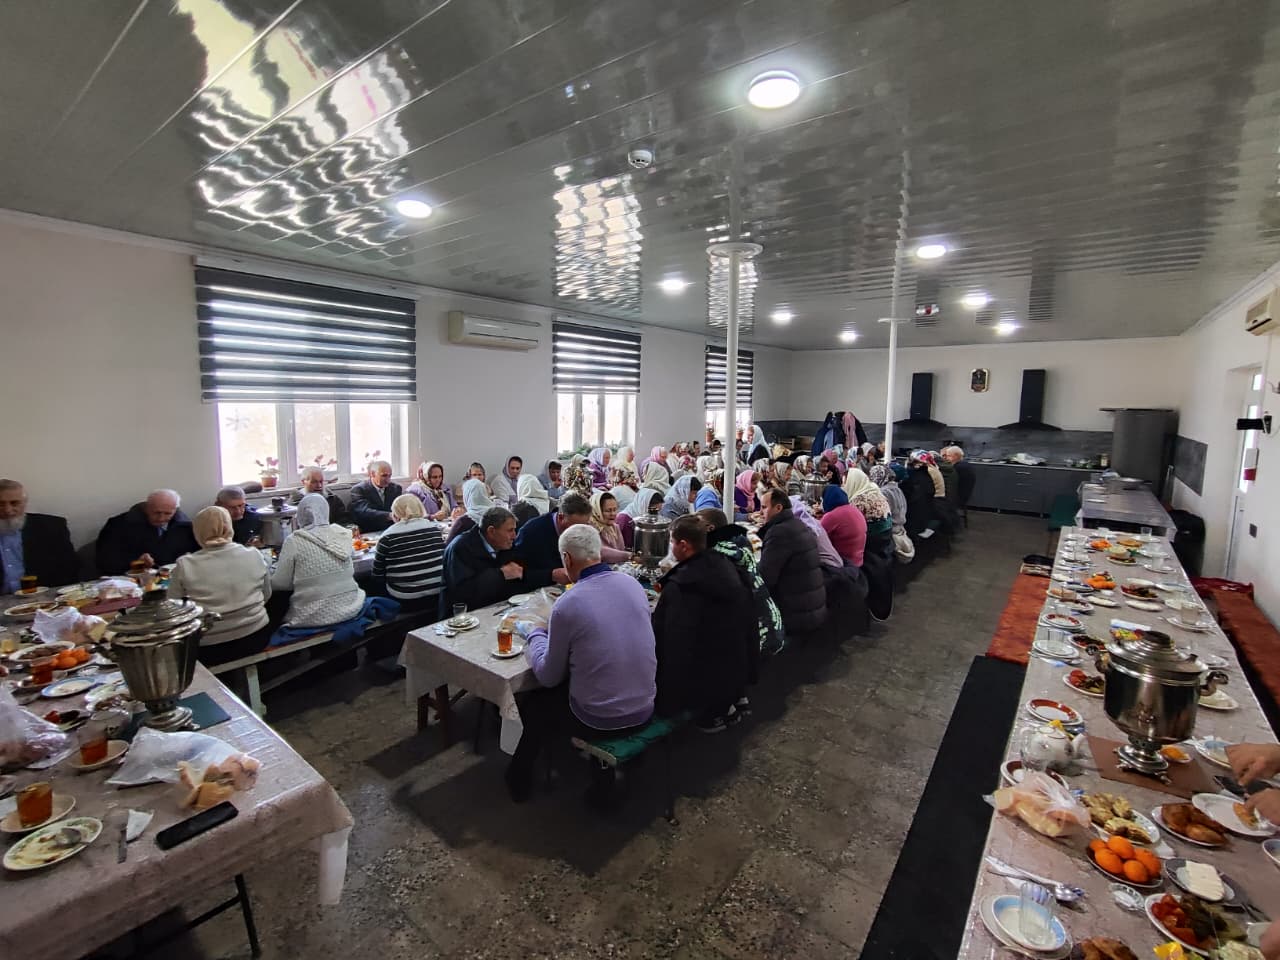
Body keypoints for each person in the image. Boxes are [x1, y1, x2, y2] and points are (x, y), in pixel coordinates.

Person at [505, 524, 656, 803]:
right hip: (646, 704)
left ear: (567, 558)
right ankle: (603, 774)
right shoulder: (632, 585)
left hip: (601, 719)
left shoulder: (569, 603)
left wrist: (534, 634)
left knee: (535, 706)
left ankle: (518, 780)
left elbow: (549, 675)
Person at [652, 515, 753, 732]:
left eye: (671, 541)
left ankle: (712, 714)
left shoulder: (683, 585)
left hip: (705, 678)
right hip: (736, 665)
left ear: (683, 545)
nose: (671, 547)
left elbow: (673, 642)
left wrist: (667, 700)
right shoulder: (724, 564)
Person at [167, 506, 272, 666]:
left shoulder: (185, 564)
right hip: (256, 635)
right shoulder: (253, 554)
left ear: (198, 531)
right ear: (229, 528)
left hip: (210, 646)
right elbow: (267, 594)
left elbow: (173, 608)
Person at [697, 506, 786, 663]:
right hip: (773, 628)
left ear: (710, 529)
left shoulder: (720, 558)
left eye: (696, 528)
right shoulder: (739, 546)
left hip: (759, 639)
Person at [270, 494, 365, 628]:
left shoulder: (294, 540)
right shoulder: (343, 534)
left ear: (300, 514)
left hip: (310, 617)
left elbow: (281, 584)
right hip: (352, 608)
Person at [757, 487, 826, 636]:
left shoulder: (779, 533)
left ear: (778, 508)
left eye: (764, 507)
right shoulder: (798, 524)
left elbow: (765, 578)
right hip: (812, 605)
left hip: (796, 613)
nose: (760, 512)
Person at [442, 506, 527, 614]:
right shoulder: (461, 548)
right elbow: (463, 592)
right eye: (510, 530)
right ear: (491, 531)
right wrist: (501, 574)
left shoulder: (505, 545)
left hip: (498, 608)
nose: (514, 536)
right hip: (463, 616)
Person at [95, 489, 198, 574]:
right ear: (147, 508)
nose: (161, 518)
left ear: (175, 510)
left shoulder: (186, 526)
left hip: (174, 578)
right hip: (131, 580)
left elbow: (198, 555)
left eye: (167, 514)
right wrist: (136, 562)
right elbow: (105, 560)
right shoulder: (118, 525)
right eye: (156, 513)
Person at [0, 479, 78, 591]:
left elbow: (69, 568)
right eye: (1, 504)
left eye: (14, 503)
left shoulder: (52, 527)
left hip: (44, 595)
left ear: (24, 503)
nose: (8, 510)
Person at [371, 494, 445, 611]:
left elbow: (377, 575)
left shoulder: (387, 537)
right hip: (439, 593)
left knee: (371, 586)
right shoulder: (434, 529)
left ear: (395, 514)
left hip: (407, 600)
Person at [513, 492, 591, 586]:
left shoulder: (583, 530)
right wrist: (551, 575)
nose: (580, 532)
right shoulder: (531, 533)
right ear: (561, 517)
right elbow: (516, 574)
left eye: (584, 526)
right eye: (575, 527)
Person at [349, 460, 403, 533]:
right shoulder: (359, 490)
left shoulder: (396, 488)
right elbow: (364, 511)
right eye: (384, 476)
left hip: (392, 529)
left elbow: (400, 508)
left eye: (390, 476)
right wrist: (389, 515)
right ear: (372, 474)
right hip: (370, 530)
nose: (388, 480)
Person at [820, 486, 867, 568]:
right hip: (859, 563)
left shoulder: (831, 516)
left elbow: (819, 536)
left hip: (842, 566)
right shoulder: (855, 510)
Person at [842, 467, 895, 538]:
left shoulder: (859, 500)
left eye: (845, 483)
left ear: (853, 483)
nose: (843, 486)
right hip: (887, 536)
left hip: (872, 539)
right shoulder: (875, 491)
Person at [446, 478, 494, 545]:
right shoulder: (497, 514)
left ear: (467, 495)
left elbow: (449, 544)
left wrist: (455, 523)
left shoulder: (464, 521)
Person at [589, 491, 631, 563]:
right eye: (608, 511)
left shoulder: (615, 527)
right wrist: (629, 556)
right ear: (597, 511)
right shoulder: (590, 529)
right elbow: (600, 552)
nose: (613, 514)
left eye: (615, 509)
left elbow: (621, 550)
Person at [942, 446, 976, 515]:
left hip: (958, 498)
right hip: (964, 496)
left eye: (948, 456)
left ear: (956, 456)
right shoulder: (965, 465)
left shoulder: (957, 468)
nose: (946, 458)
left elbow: (949, 484)